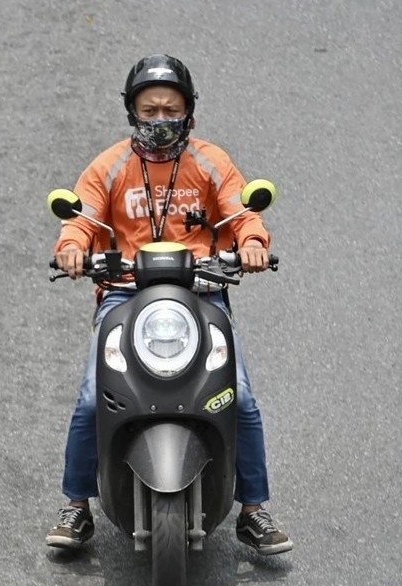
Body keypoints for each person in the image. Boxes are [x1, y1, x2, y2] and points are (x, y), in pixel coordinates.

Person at [46, 54, 293, 556]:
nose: (160, 120)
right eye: (150, 110)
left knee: (240, 398)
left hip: (201, 292)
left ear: (189, 114)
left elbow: (242, 214)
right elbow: (82, 220)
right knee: (93, 399)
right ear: (132, 112)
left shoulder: (210, 162)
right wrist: (72, 247)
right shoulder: (110, 165)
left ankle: (254, 510)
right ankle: (76, 505)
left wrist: (253, 243)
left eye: (171, 110)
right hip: (124, 293)